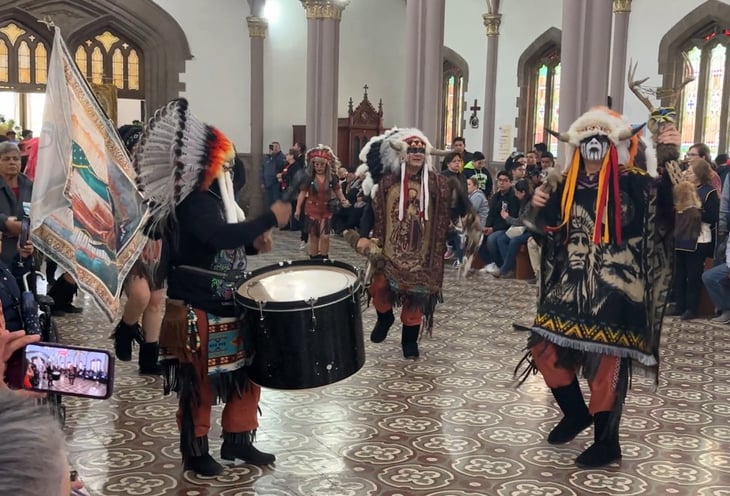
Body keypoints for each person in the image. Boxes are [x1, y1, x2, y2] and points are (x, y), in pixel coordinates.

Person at [132, 98, 291, 477]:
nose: (230, 169)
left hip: (229, 304)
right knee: (199, 384)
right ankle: (195, 449)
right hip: (196, 308)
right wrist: (269, 217)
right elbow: (216, 236)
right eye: (225, 162)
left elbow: (221, 243)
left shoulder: (219, 201)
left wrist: (253, 243)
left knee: (247, 375)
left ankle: (239, 439)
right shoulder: (194, 202)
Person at [518, 106, 681, 468]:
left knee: (605, 366)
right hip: (569, 284)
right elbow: (544, 230)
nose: (594, 145)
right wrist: (537, 205)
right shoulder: (563, 183)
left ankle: (608, 442)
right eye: (587, 139)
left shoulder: (633, 181)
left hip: (617, 287)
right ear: (577, 146)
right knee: (544, 349)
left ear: (613, 145)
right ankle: (576, 413)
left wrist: (668, 151)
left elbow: (668, 203)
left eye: (601, 139)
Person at [356, 128, 469, 358]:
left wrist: (466, 210)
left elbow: (456, 206)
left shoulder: (439, 184)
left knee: (417, 298)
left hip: (423, 254)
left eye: (421, 150)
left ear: (426, 155)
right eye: (412, 150)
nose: (417, 153)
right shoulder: (387, 182)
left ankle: (409, 341)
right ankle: (384, 318)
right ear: (403, 155)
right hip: (389, 249)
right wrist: (362, 235)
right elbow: (371, 208)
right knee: (378, 287)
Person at [111, 124, 166, 374]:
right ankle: (126, 329)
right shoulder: (115, 176)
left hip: (157, 241)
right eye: (135, 147)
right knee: (141, 295)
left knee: (155, 301)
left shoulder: (158, 174)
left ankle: (149, 359)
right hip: (128, 242)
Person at [294, 145, 349, 260]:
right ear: (312, 164)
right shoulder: (309, 177)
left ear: (327, 165)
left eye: (322, 164)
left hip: (326, 209)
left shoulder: (332, 177)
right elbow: (302, 193)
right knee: (314, 236)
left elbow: (338, 191)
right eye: (316, 164)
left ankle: (324, 258)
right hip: (312, 209)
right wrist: (298, 209)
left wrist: (343, 200)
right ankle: (314, 259)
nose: (319, 167)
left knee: (325, 236)